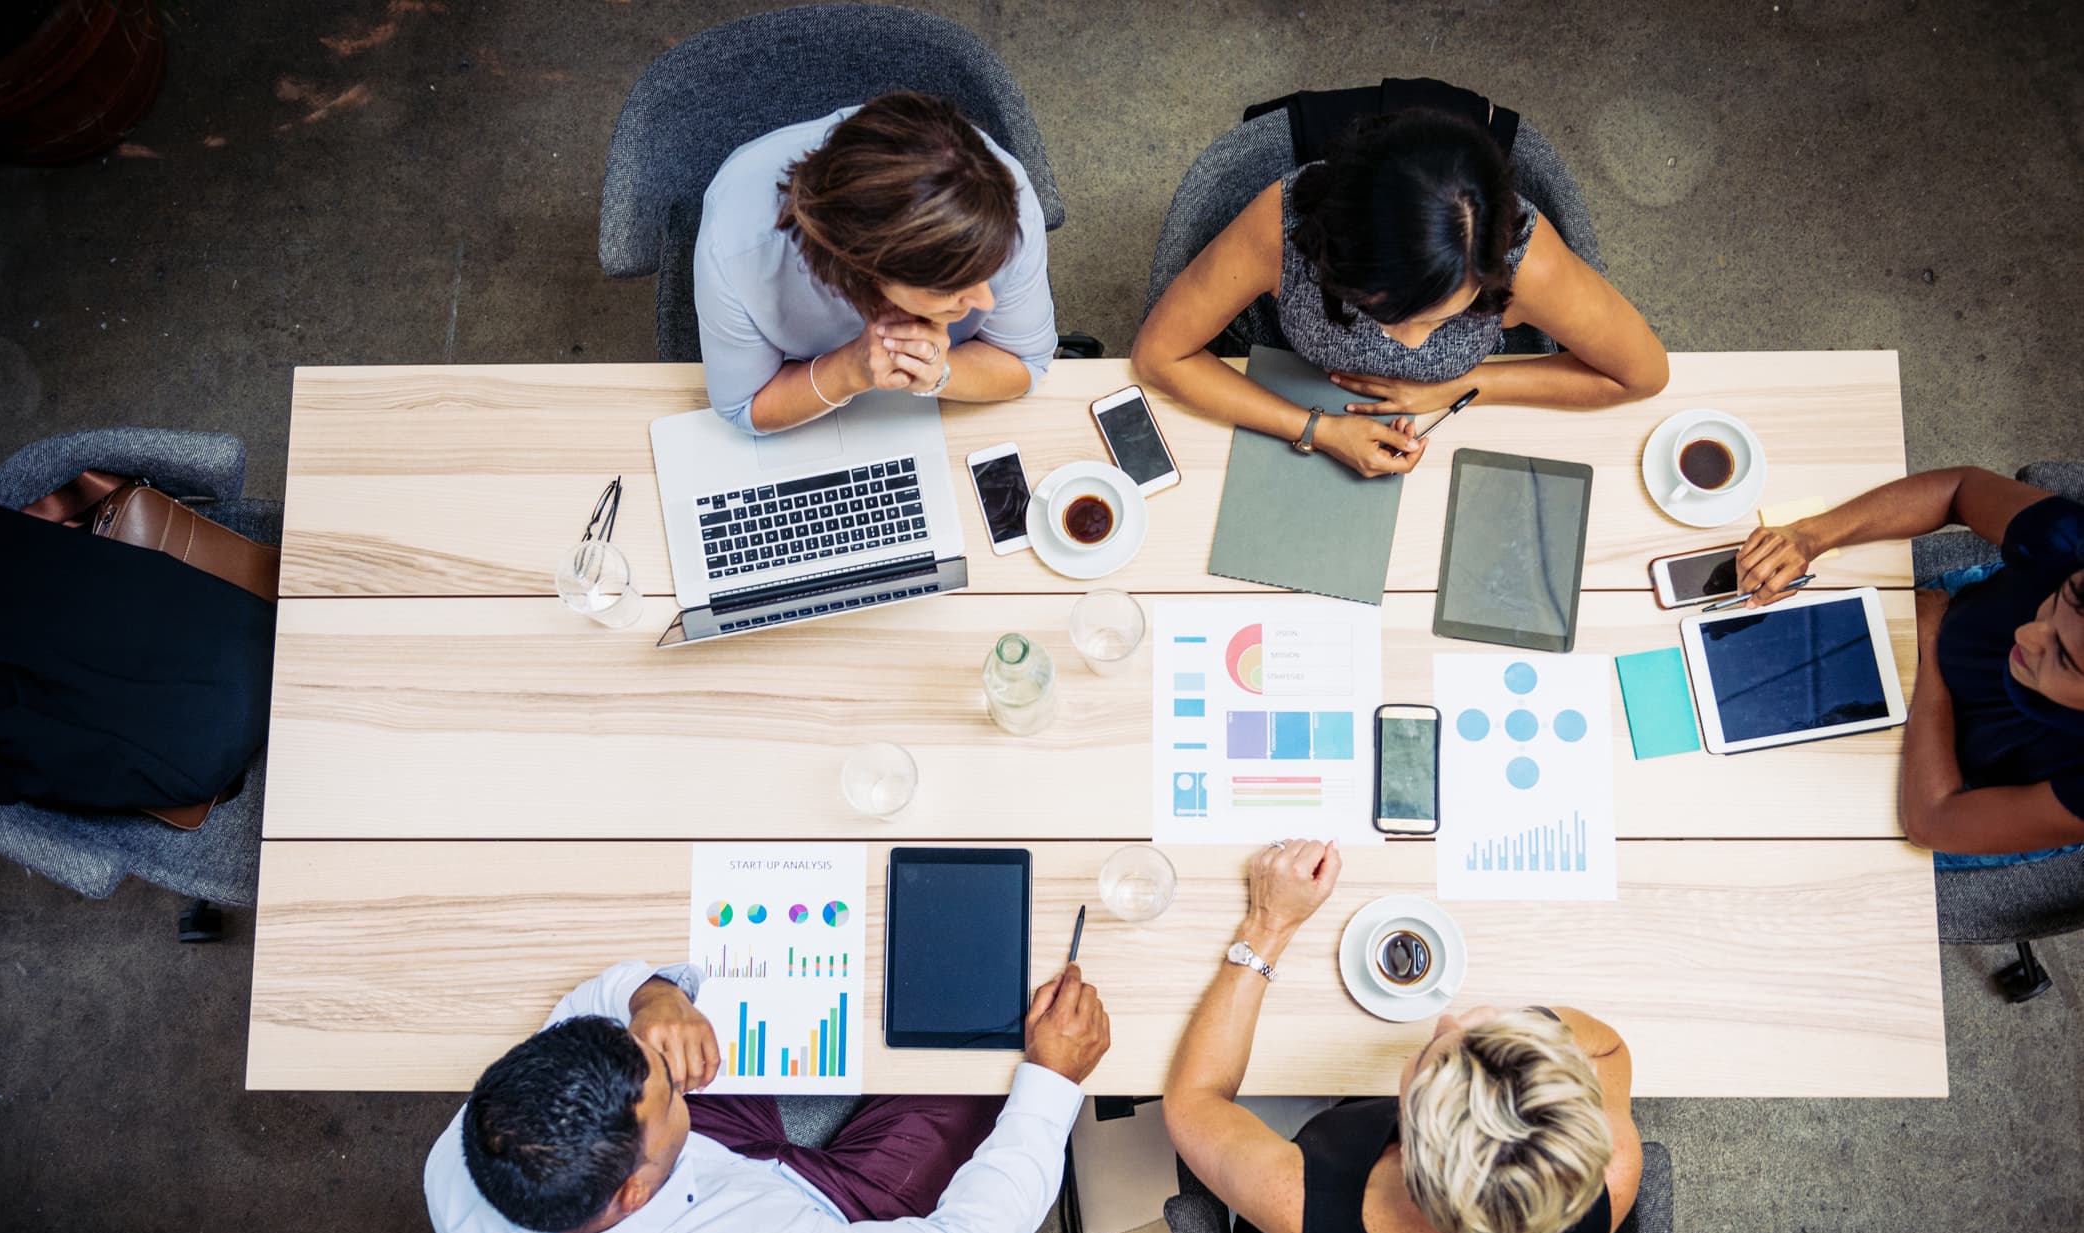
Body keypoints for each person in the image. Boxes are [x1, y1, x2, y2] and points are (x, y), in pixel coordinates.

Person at [425, 957, 1109, 1233]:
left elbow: (580, 1015)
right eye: (670, 1093)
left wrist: (651, 997)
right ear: (631, 1191)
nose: (672, 1068)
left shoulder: (471, 1149)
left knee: (742, 996)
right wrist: (1053, 1081)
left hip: (720, 1195)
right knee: (980, 1061)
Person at [1161, 840, 1643, 1233]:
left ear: (1406, 1145)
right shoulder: (1613, 1174)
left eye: (1429, 1059)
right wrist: (1522, 1047)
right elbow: (1608, 1049)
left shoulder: (1300, 1204)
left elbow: (1193, 1101)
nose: (1451, 1019)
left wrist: (1268, 925)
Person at [1133, 109, 1668, 478]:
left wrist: (1464, 386)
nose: (1410, 343)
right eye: (1387, 311)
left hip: (1460, 426)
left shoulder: (1525, 260)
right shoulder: (1282, 227)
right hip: (1283, 382)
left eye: (1440, 319)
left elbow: (1643, 374)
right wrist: (1318, 431)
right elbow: (1159, 355)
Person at [1735, 465, 2084, 866]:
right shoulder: (2073, 544)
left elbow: (1932, 821)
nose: (2024, 635)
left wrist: (1930, 649)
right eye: (2059, 597)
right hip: (1940, 621)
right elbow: (1959, 489)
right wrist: (1809, 536)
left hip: (1957, 790)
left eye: (2063, 656)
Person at [696, 90, 1057, 435]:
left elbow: (1026, 364)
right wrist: (852, 369)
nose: (986, 300)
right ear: (865, 271)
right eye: (947, 287)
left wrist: (938, 373)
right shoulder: (732, 248)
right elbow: (745, 406)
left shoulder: (1006, 204)